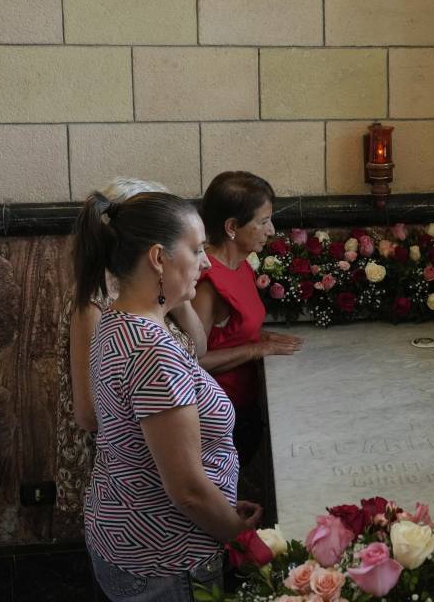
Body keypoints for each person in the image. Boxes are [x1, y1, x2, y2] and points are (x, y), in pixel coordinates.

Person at [72, 190, 260, 601]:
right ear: (158, 258)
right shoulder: (152, 350)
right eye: (196, 250)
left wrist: (222, 502)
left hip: (127, 532)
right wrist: (238, 534)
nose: (207, 262)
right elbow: (188, 491)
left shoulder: (118, 319)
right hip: (167, 560)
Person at [54, 178, 209, 535]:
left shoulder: (152, 292)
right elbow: (89, 411)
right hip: (125, 466)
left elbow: (198, 349)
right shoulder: (98, 300)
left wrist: (180, 297)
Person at [193, 171, 302, 467]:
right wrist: (256, 349)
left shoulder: (240, 265)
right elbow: (190, 363)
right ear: (231, 227)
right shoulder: (208, 282)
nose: (272, 230)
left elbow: (233, 330)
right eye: (263, 222)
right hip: (219, 418)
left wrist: (263, 337)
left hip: (247, 404)